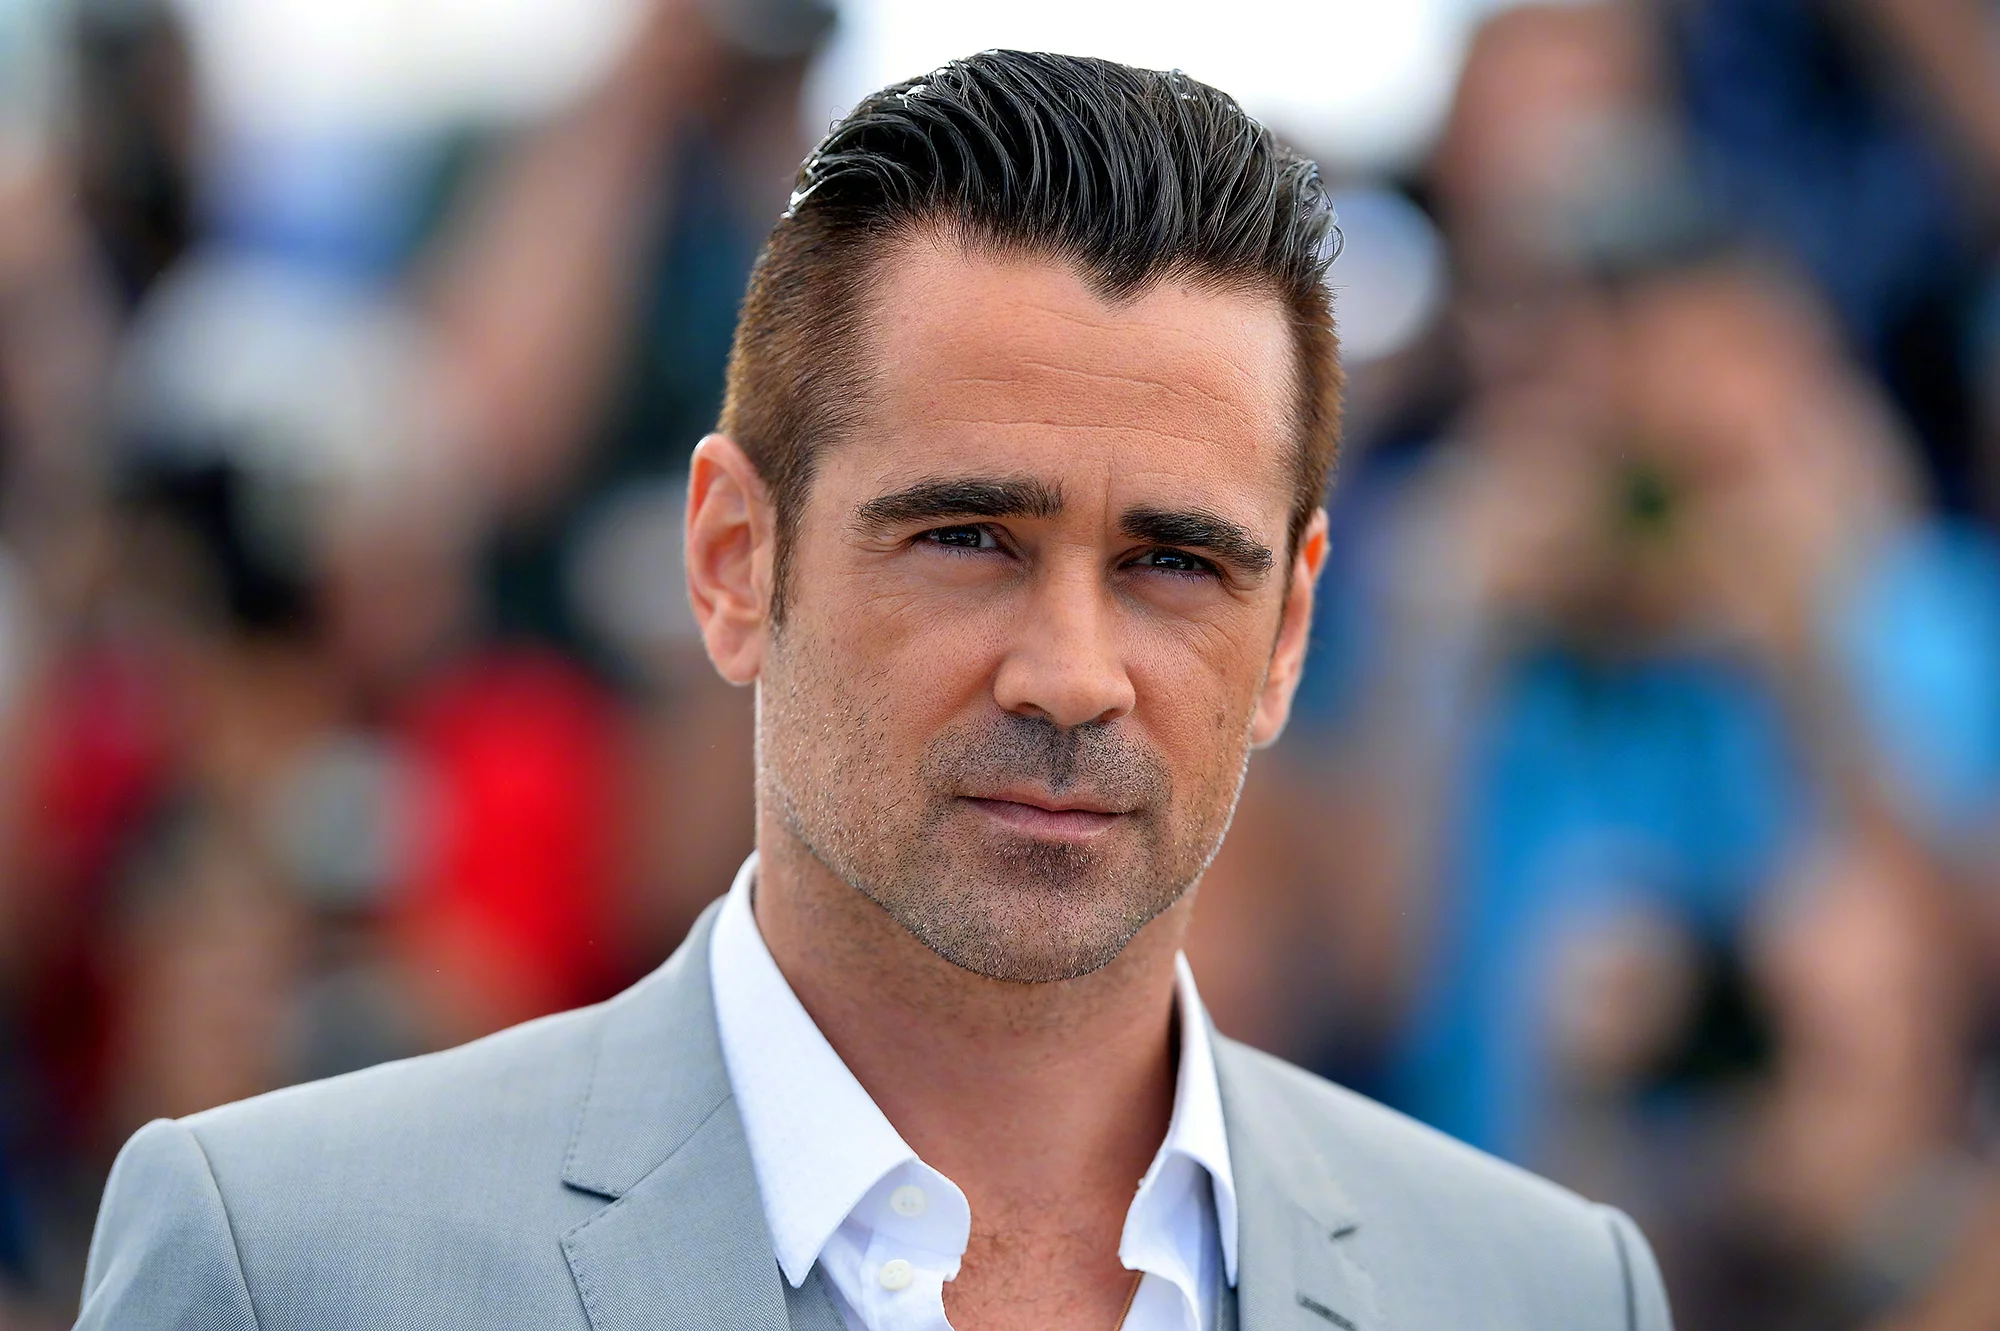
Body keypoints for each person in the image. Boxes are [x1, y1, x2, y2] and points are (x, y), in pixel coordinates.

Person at [74, 51, 1673, 1330]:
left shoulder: (1544, 1294)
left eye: (1176, 561)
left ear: (1292, 628)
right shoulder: (290, 1262)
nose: (1071, 673)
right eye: (967, 538)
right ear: (732, 561)